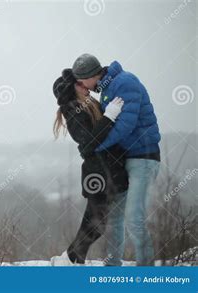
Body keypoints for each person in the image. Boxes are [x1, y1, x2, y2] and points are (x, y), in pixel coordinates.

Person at [72, 54, 161, 266]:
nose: (81, 85)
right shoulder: (106, 90)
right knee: (115, 217)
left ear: (91, 76)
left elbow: (125, 125)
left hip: (143, 157)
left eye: (81, 81)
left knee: (133, 217)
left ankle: (147, 270)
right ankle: (112, 267)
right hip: (125, 160)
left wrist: (95, 147)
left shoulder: (125, 83)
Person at [50, 69, 128, 266]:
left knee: (97, 223)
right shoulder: (71, 110)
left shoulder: (89, 104)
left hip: (106, 170)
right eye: (79, 84)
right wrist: (109, 116)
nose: (85, 86)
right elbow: (87, 140)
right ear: (72, 89)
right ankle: (69, 259)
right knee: (97, 223)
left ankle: (71, 259)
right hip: (97, 173)